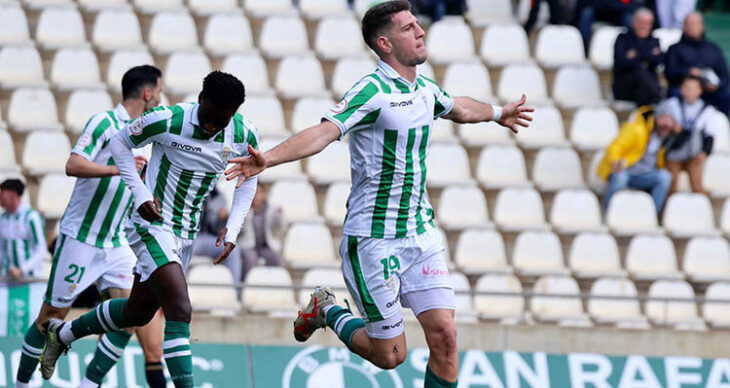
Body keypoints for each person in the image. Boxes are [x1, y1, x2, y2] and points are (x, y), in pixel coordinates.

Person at [224, 2, 533, 387]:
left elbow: (457, 108)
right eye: (408, 28)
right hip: (373, 240)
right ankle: (327, 309)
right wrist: (267, 159)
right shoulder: (371, 91)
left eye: (417, 24)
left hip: (420, 234)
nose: (420, 31)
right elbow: (324, 132)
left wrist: (497, 111)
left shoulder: (424, 88)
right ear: (385, 43)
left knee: (446, 337)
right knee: (390, 355)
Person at [39, 71, 260, 388]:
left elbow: (249, 177)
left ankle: (61, 333)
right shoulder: (167, 119)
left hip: (185, 235)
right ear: (201, 101)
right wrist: (140, 193)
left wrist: (234, 226)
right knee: (180, 308)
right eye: (209, 117)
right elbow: (120, 142)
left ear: (233, 114)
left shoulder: (243, 134)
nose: (212, 127)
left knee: (137, 313)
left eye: (221, 122)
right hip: (151, 224)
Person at [13, 65, 168, 388]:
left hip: (115, 242)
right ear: (147, 92)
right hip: (81, 238)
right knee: (51, 317)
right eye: (160, 91)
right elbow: (73, 164)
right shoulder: (104, 123)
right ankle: (21, 384)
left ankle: (89, 384)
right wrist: (117, 168)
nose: (160, 98)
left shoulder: (145, 134)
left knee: (132, 316)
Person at [598, 105, 681, 214]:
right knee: (620, 178)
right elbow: (615, 147)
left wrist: (678, 134)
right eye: (663, 119)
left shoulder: (668, 137)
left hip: (645, 175)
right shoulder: (636, 128)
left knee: (665, 178)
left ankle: (651, 215)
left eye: (670, 120)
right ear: (656, 118)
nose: (666, 124)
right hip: (626, 170)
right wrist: (615, 162)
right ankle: (608, 212)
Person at [663, 75, 720, 194]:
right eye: (687, 87)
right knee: (671, 187)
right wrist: (672, 127)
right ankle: (667, 210)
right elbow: (660, 126)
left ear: (699, 91)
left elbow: (710, 134)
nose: (690, 91)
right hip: (675, 152)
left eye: (694, 88)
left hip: (694, 153)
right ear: (681, 89)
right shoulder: (672, 104)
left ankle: (703, 210)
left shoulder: (707, 109)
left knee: (697, 187)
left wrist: (705, 152)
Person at [665, 12, 730, 115]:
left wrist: (717, 85)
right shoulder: (675, 49)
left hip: (709, 90)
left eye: (696, 24)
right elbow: (669, 72)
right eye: (689, 24)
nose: (692, 27)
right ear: (684, 27)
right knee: (674, 95)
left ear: (702, 26)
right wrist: (689, 72)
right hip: (684, 89)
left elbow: (724, 75)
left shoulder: (713, 48)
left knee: (725, 96)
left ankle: (721, 127)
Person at [192, 188, 244, 283]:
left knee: (233, 249)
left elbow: (218, 229)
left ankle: (234, 291)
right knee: (183, 248)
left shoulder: (218, 196)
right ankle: (179, 292)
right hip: (188, 237)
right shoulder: (188, 190)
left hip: (208, 238)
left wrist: (224, 219)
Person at [612, 8, 663, 106]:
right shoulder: (622, 39)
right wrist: (646, 57)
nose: (644, 26)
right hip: (624, 87)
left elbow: (659, 60)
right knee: (640, 72)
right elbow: (622, 61)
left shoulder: (654, 40)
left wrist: (637, 55)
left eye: (647, 23)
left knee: (643, 93)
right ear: (633, 22)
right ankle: (658, 97)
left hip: (644, 89)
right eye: (641, 22)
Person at [0, 179, 46, 281]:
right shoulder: (2, 219)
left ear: (12, 194)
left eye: (2, 192)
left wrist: (22, 269)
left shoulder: (31, 217)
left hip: (29, 279)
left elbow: (41, 249)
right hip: (6, 279)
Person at [239, 184, 285, 280]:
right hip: (248, 246)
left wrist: (279, 216)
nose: (257, 197)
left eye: (260, 193)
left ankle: (280, 284)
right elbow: (239, 231)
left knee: (277, 259)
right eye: (255, 194)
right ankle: (247, 285)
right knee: (251, 259)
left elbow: (279, 227)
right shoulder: (243, 210)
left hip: (265, 246)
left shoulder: (270, 210)